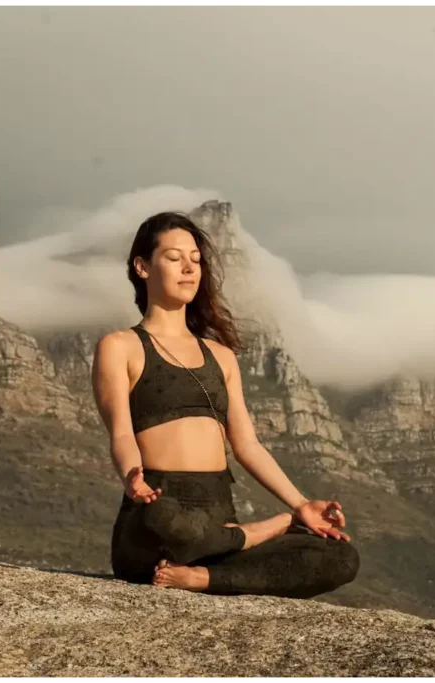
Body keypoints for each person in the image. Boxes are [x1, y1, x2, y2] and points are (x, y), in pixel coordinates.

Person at [91, 211, 360, 598]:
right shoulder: (120, 347)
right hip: (159, 513)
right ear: (142, 266)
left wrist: (301, 505)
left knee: (340, 557)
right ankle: (259, 532)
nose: (189, 268)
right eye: (174, 258)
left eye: (196, 260)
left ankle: (201, 577)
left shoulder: (220, 356)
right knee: (163, 519)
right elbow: (120, 432)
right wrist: (133, 478)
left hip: (218, 521)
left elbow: (247, 446)